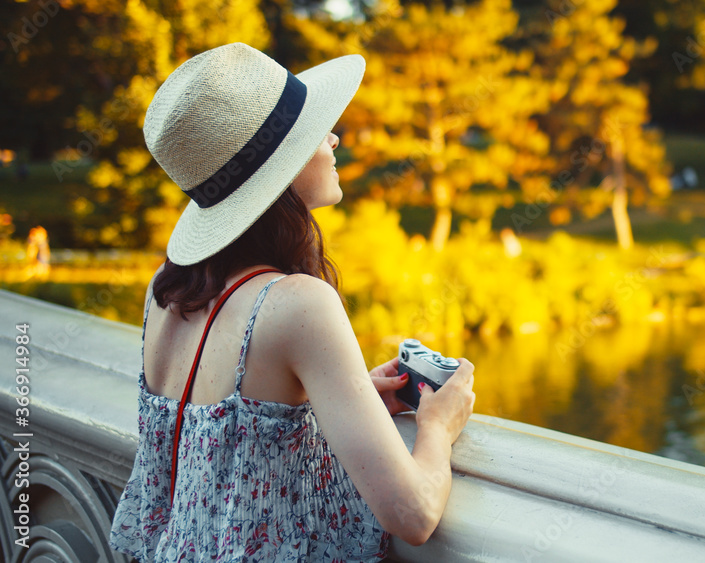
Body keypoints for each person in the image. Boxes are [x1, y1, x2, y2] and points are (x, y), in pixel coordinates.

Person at [109, 43, 476, 561]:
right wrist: (440, 423)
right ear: (280, 167)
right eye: (316, 129)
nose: (333, 137)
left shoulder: (164, 292)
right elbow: (413, 514)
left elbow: (218, 449)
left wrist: (335, 400)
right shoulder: (299, 305)